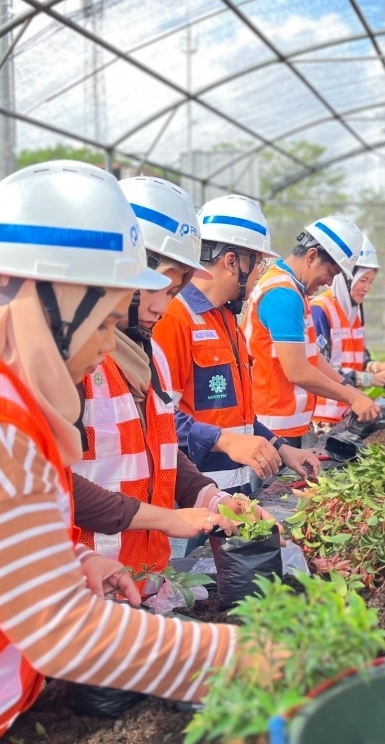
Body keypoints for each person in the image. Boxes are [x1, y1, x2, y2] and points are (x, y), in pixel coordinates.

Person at [0, 161, 263, 743]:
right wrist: (257, 659)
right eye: (102, 323)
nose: (103, 350)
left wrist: (75, 561)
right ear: (57, 300)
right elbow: (66, 632)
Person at [71, 177, 266, 580]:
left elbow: (160, 447)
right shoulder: (75, 364)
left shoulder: (149, 352)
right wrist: (164, 519)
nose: (161, 307)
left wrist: (209, 496)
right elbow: (54, 485)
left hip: (139, 579)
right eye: (155, 288)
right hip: (89, 585)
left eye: (174, 292)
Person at [153, 194, 320, 496]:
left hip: (232, 497)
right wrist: (224, 441)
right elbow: (159, 418)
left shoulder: (227, 320)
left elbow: (238, 418)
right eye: (259, 263)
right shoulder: (173, 318)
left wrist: (281, 448)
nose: (260, 275)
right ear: (232, 262)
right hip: (191, 500)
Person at [244, 216, 381, 446]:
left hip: (283, 424)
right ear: (311, 256)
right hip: (271, 426)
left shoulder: (294, 291)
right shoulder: (283, 295)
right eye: (331, 272)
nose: (329, 283)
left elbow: (310, 356)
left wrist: (348, 388)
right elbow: (297, 371)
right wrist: (351, 398)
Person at [310, 235, 385, 426]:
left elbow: (359, 359)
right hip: (322, 420)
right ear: (346, 279)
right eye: (362, 280)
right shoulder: (321, 310)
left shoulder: (355, 311)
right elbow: (320, 368)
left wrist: (379, 367)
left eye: (370, 281)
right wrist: (370, 379)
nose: (366, 288)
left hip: (348, 415)